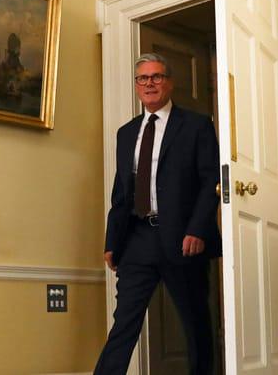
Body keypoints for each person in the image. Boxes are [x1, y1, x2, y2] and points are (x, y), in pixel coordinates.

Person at [94, 53, 221, 375]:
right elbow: (121, 192)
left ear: (169, 82)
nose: (149, 83)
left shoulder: (196, 125)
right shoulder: (126, 133)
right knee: (124, 322)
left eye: (156, 77)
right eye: (143, 78)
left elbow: (211, 182)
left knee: (195, 322)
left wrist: (197, 229)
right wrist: (112, 241)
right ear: (137, 86)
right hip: (137, 238)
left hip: (183, 238)